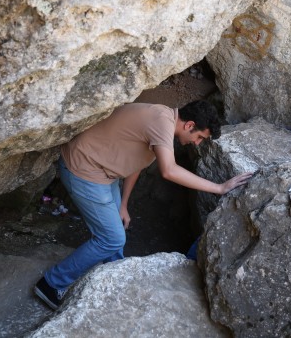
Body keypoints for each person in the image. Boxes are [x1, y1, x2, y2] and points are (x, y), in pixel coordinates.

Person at [34, 100, 252, 310]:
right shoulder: (160, 122)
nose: (197, 143)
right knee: (112, 238)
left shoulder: (163, 120)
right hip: (83, 169)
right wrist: (219, 188)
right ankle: (51, 284)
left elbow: (136, 164)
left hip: (102, 171)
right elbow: (169, 170)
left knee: (116, 231)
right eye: (200, 137)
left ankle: (112, 277)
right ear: (189, 125)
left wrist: (124, 204)